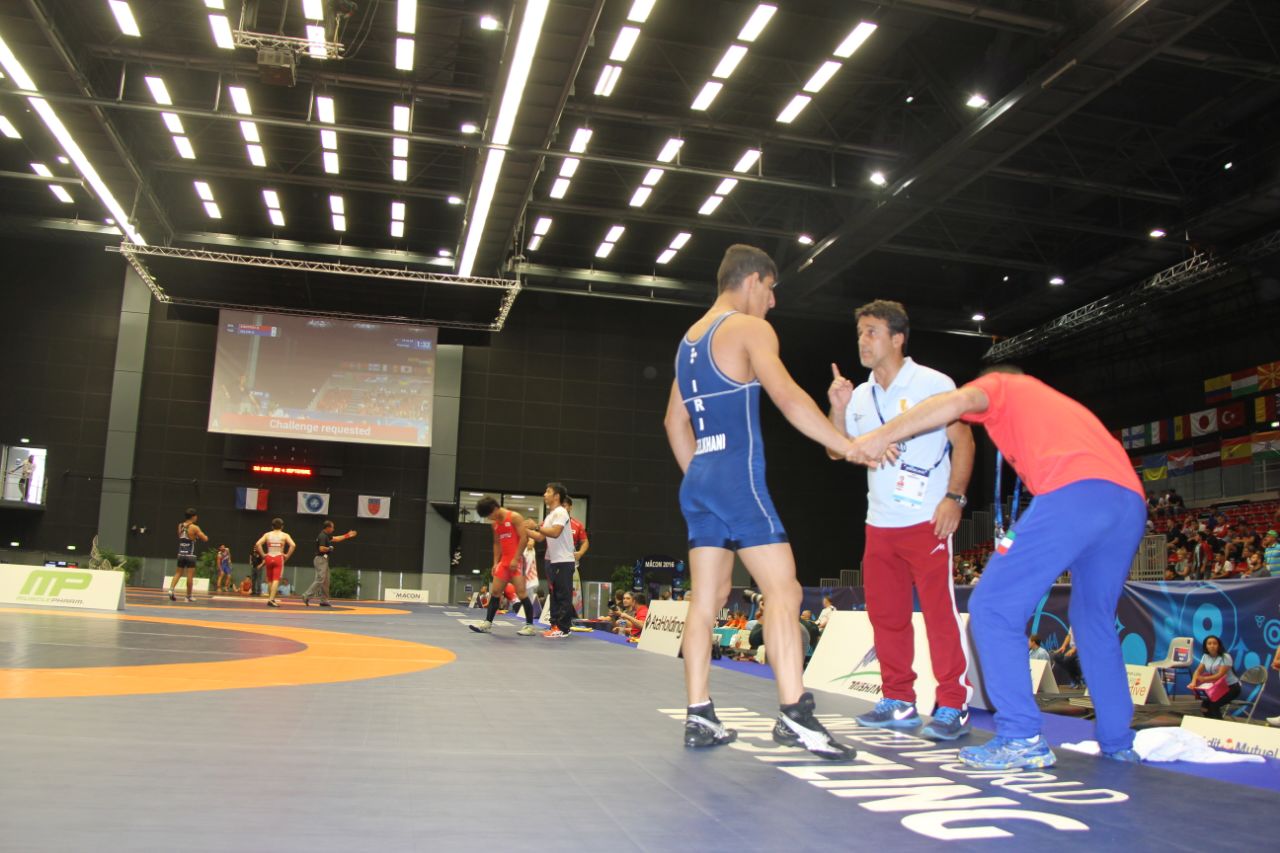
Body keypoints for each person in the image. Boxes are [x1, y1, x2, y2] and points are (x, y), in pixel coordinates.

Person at [848, 364, 1147, 768]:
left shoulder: (1003, 385)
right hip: (1128, 502)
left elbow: (954, 402)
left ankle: (1021, 735)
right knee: (1092, 618)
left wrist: (881, 435)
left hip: (1074, 493)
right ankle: (1117, 741)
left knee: (991, 607)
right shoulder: (1053, 404)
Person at [663, 243, 855, 760]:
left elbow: (674, 422)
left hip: (699, 481)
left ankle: (699, 714)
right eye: (771, 289)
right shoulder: (749, 329)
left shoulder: (688, 341)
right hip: (736, 481)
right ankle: (795, 715)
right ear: (752, 281)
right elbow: (788, 396)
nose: (772, 302)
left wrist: (702, 476)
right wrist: (847, 445)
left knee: (707, 600)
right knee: (784, 591)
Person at [827, 300, 976, 740]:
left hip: (927, 519)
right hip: (880, 523)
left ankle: (952, 704)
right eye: (860, 332)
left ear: (897, 338)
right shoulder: (858, 395)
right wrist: (838, 408)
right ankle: (898, 700)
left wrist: (954, 498)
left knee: (939, 615)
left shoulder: (933, 383)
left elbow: (964, 442)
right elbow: (836, 450)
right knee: (886, 617)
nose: (863, 340)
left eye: (872, 331)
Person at [468, 497, 538, 636]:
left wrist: (516, 558)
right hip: (504, 562)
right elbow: (497, 543)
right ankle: (487, 623)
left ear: (495, 509)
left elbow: (524, 538)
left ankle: (530, 626)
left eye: (489, 515)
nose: (489, 518)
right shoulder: (494, 524)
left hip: (517, 561)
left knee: (521, 593)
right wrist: (495, 563)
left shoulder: (514, 517)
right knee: (495, 592)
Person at [525, 484, 576, 638]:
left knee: (563, 595)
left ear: (556, 496)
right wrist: (522, 529)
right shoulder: (550, 515)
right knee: (555, 595)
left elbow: (555, 533)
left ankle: (564, 628)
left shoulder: (561, 512)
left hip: (564, 560)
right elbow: (540, 537)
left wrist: (535, 526)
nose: (544, 494)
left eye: (548, 492)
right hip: (554, 561)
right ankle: (555, 626)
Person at [305, 520, 357, 607]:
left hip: (323, 560)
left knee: (326, 580)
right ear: (328, 527)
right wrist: (329, 548)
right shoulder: (322, 536)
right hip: (320, 559)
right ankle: (306, 596)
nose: (333, 529)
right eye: (332, 527)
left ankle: (324, 600)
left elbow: (336, 538)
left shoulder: (326, 536)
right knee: (321, 579)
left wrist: (347, 535)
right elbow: (321, 548)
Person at [1189, 635, 1241, 719]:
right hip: (1217, 688)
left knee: (1213, 705)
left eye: (1214, 643)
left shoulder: (1225, 657)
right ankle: (1210, 723)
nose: (1212, 646)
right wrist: (1193, 682)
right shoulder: (1205, 656)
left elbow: (1220, 675)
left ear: (1219, 645)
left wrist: (1204, 679)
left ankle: (1219, 725)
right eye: (1209, 644)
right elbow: (1198, 671)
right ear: (1206, 646)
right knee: (1204, 708)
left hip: (1231, 688)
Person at [255, 517, 296, 608]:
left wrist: (263, 555)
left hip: (269, 557)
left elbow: (258, 544)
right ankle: (271, 600)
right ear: (282, 526)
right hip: (278, 557)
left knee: (270, 579)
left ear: (272, 526)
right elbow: (293, 545)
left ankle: (271, 598)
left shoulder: (267, 535)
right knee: (276, 579)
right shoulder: (285, 535)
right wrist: (287, 555)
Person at [169, 508, 207, 603]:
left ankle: (171, 589)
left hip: (181, 553)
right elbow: (205, 538)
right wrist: (198, 536)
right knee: (190, 575)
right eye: (196, 516)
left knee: (178, 573)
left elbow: (180, 536)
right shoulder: (195, 527)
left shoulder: (180, 526)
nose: (197, 517)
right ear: (193, 517)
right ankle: (188, 596)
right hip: (190, 555)